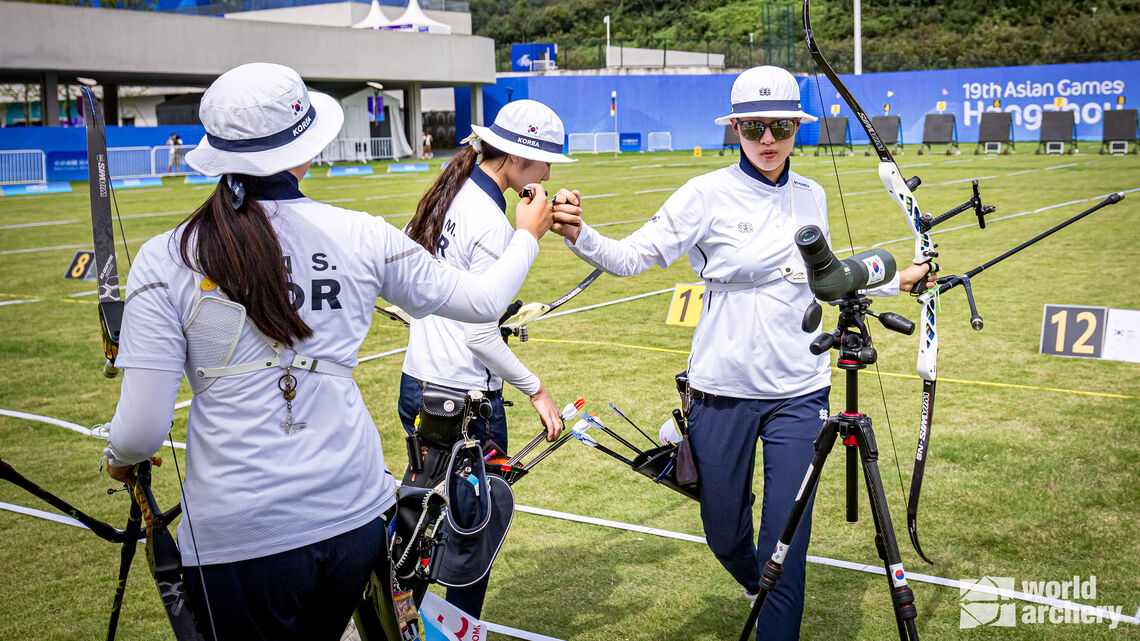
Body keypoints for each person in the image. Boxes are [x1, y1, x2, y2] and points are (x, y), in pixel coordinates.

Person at [100, 62, 558, 641]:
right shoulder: (360, 233)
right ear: (304, 149)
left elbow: (140, 432)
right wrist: (527, 233)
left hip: (239, 535)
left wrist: (119, 458)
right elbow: (482, 299)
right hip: (354, 520)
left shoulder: (169, 257)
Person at [549, 66, 936, 640]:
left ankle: (776, 612)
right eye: (754, 126)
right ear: (735, 127)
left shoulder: (812, 194)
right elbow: (633, 256)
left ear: (796, 128)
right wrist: (578, 233)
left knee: (787, 536)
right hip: (721, 390)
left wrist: (899, 279)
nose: (767, 138)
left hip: (800, 392)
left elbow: (823, 277)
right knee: (724, 531)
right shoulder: (705, 194)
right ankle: (762, 586)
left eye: (780, 125)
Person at [398, 98, 580, 617]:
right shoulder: (495, 226)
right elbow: (480, 335)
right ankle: (442, 626)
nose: (547, 174)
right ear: (517, 161)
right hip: (463, 400)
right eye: (543, 163)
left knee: (419, 523)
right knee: (469, 540)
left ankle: (399, 617)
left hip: (419, 384)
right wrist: (536, 388)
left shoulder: (450, 191)